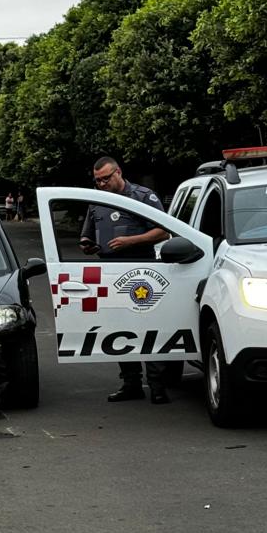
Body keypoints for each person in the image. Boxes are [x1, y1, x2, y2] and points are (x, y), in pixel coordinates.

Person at [81, 156, 172, 404]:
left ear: (118, 172)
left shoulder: (142, 196)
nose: (102, 184)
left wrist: (130, 241)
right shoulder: (96, 201)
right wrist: (87, 245)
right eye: (98, 181)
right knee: (119, 328)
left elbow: (163, 231)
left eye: (106, 179)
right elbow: (86, 236)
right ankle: (131, 383)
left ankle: (157, 386)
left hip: (142, 273)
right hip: (110, 272)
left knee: (148, 327)